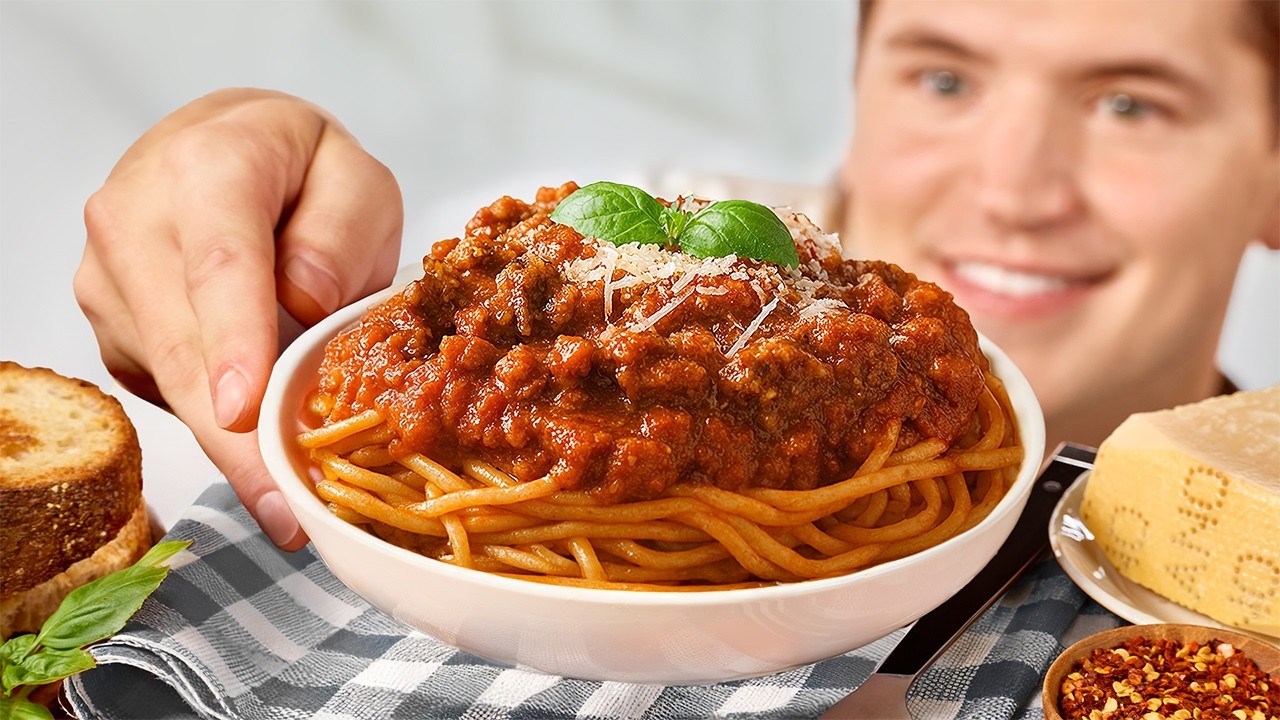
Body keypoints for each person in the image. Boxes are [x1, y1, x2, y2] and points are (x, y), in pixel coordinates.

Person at [74, 0, 1280, 549]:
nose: (1015, 186)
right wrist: (257, 163)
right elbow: (355, 332)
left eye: (1131, 102)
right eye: (944, 79)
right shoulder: (620, 243)